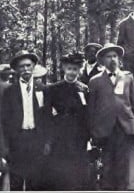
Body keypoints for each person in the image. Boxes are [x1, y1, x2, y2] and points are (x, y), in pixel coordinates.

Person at [86, 43, 134, 190]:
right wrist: (92, 132)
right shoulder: (95, 81)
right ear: (102, 61)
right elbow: (91, 109)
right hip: (104, 129)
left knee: (123, 165)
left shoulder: (128, 77)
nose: (112, 60)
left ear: (119, 59)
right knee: (107, 166)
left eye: (115, 56)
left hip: (124, 127)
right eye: (109, 57)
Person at [1, 50, 51, 190]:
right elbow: (5, 119)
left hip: (37, 138)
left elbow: (48, 118)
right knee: (16, 179)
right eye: (22, 66)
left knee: (35, 180)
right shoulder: (9, 91)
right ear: (16, 70)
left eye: (28, 65)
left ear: (34, 67)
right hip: (17, 140)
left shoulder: (43, 89)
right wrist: (6, 144)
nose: (26, 69)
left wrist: (47, 142)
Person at [46, 53, 90, 190]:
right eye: (69, 69)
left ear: (79, 71)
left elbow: (87, 114)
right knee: (60, 169)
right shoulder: (53, 88)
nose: (72, 72)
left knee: (77, 169)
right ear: (64, 69)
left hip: (79, 135)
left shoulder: (84, 88)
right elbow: (47, 115)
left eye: (75, 69)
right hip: (60, 134)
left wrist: (88, 136)